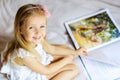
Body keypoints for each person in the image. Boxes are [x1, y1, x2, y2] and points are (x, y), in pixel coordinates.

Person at [0, 4, 87, 80]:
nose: (38, 32)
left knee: (67, 50)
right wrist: (65, 60)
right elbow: (46, 71)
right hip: (32, 76)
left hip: (38, 63)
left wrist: (75, 52)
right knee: (73, 68)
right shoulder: (24, 55)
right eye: (31, 28)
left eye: (42, 26)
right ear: (20, 30)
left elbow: (52, 49)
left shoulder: (37, 38)